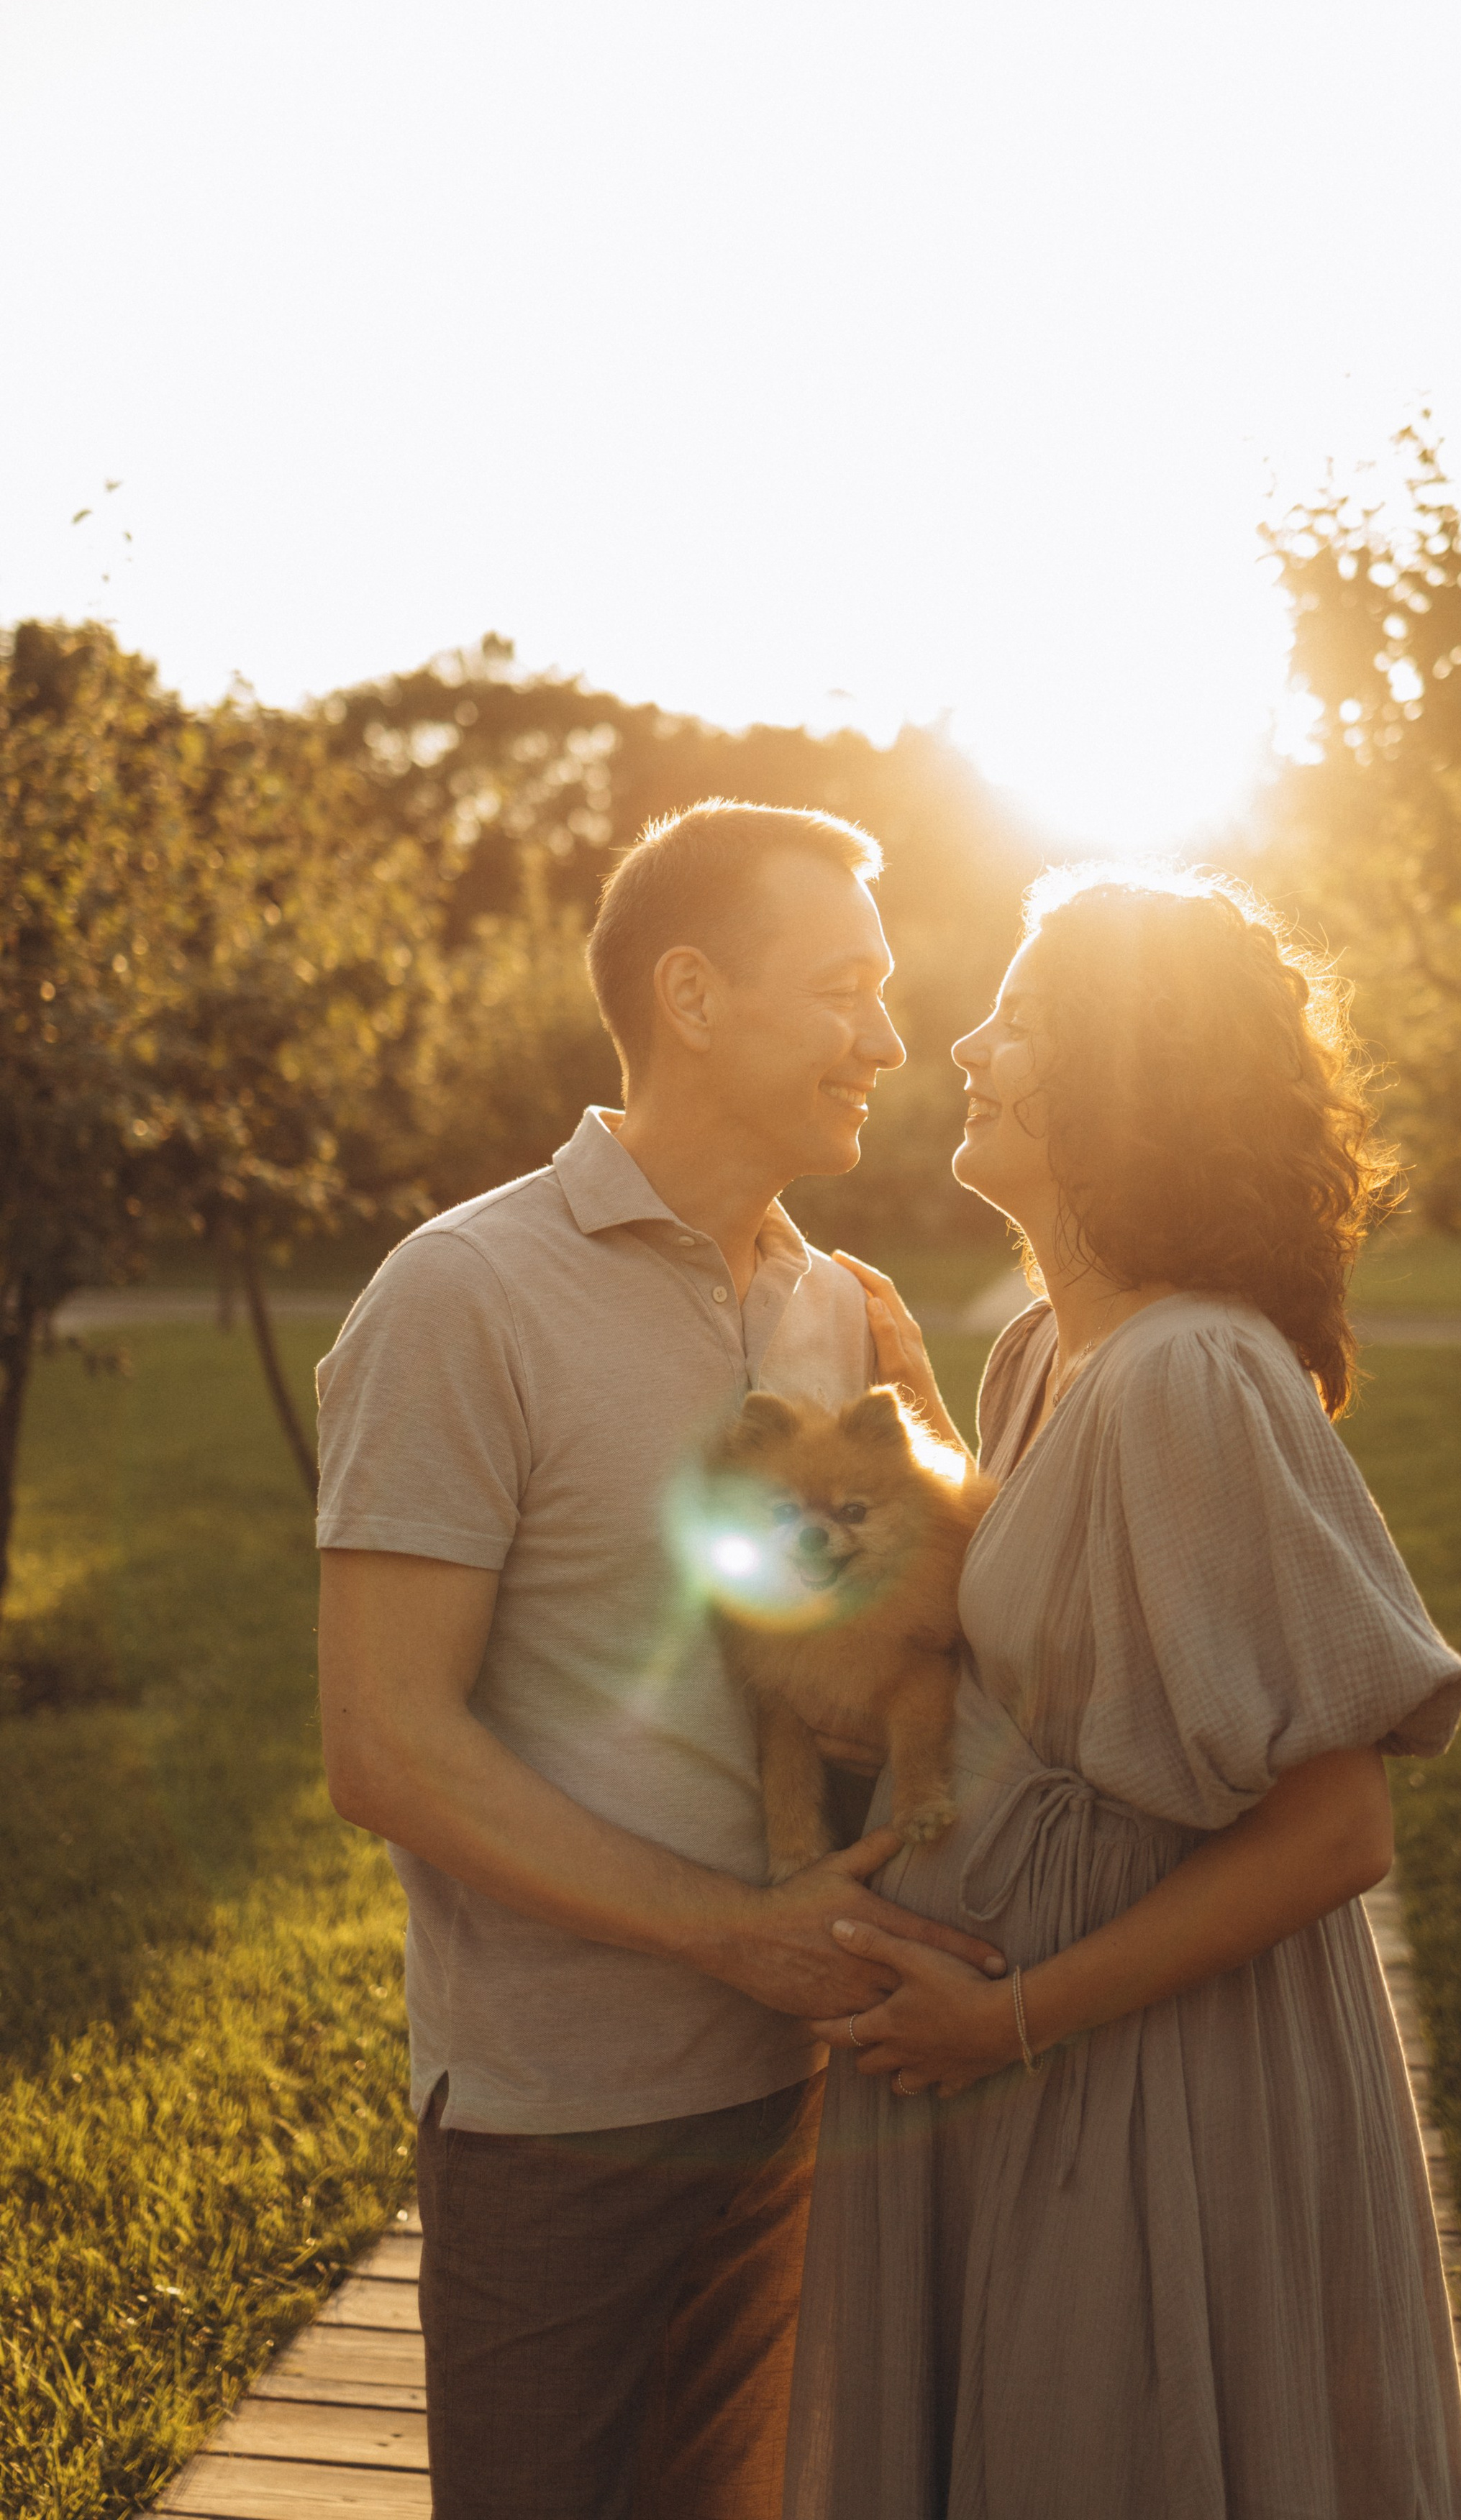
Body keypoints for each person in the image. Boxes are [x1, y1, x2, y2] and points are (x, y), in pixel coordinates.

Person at [314, 800, 1006, 2520]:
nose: (889, 1036)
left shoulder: (833, 1309)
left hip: (803, 2095)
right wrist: (740, 1935)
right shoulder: (457, 1295)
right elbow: (382, 1746)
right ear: (691, 997)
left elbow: (910, 1648)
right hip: (565, 2119)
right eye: (845, 984)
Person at [786, 864, 1461, 2520]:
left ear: (1127, 1078)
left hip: (1144, 2073)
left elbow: (1336, 1835)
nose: (962, 1042)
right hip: (1032, 2062)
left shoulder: (1191, 1373)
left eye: (1016, 1021)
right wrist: (912, 1416)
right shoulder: (1045, 1350)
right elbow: (1059, 1603)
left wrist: (1006, 2018)